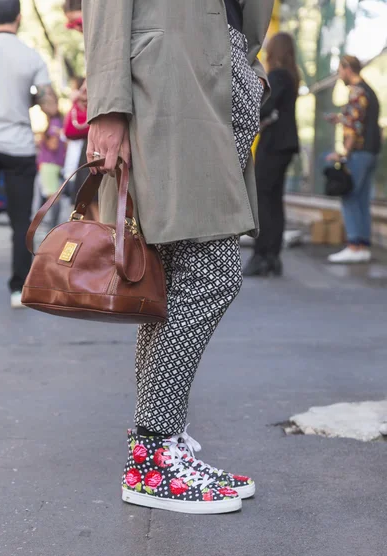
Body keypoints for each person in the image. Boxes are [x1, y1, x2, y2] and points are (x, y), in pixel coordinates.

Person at [83, 0, 274, 514]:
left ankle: (161, 445)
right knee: (214, 273)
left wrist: (246, 72)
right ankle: (151, 454)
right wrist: (106, 104)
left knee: (167, 283)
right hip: (168, 78)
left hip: (216, 72)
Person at [0, 0, 55, 308]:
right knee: (20, 223)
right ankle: (18, 289)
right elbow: (51, 107)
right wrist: (29, 97)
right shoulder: (30, 56)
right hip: (19, 149)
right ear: (19, 17)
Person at [244, 32, 300, 277]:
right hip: (285, 144)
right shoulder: (292, 76)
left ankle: (261, 255)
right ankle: (273, 256)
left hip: (274, 145)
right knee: (274, 200)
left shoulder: (277, 75)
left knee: (264, 199)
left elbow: (265, 106)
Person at [325, 55, 381, 264]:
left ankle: (354, 245)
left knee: (348, 196)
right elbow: (359, 119)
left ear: (348, 69)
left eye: (340, 70)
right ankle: (363, 246)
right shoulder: (368, 91)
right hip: (371, 151)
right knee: (362, 199)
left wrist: (343, 153)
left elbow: (355, 127)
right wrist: (340, 118)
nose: (340, 75)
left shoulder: (356, 92)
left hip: (358, 152)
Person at [38, 94, 67, 229]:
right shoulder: (59, 121)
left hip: (50, 162)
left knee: (52, 197)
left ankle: (52, 227)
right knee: (54, 195)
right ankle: (53, 225)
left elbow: (53, 145)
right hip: (55, 162)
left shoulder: (54, 123)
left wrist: (42, 139)